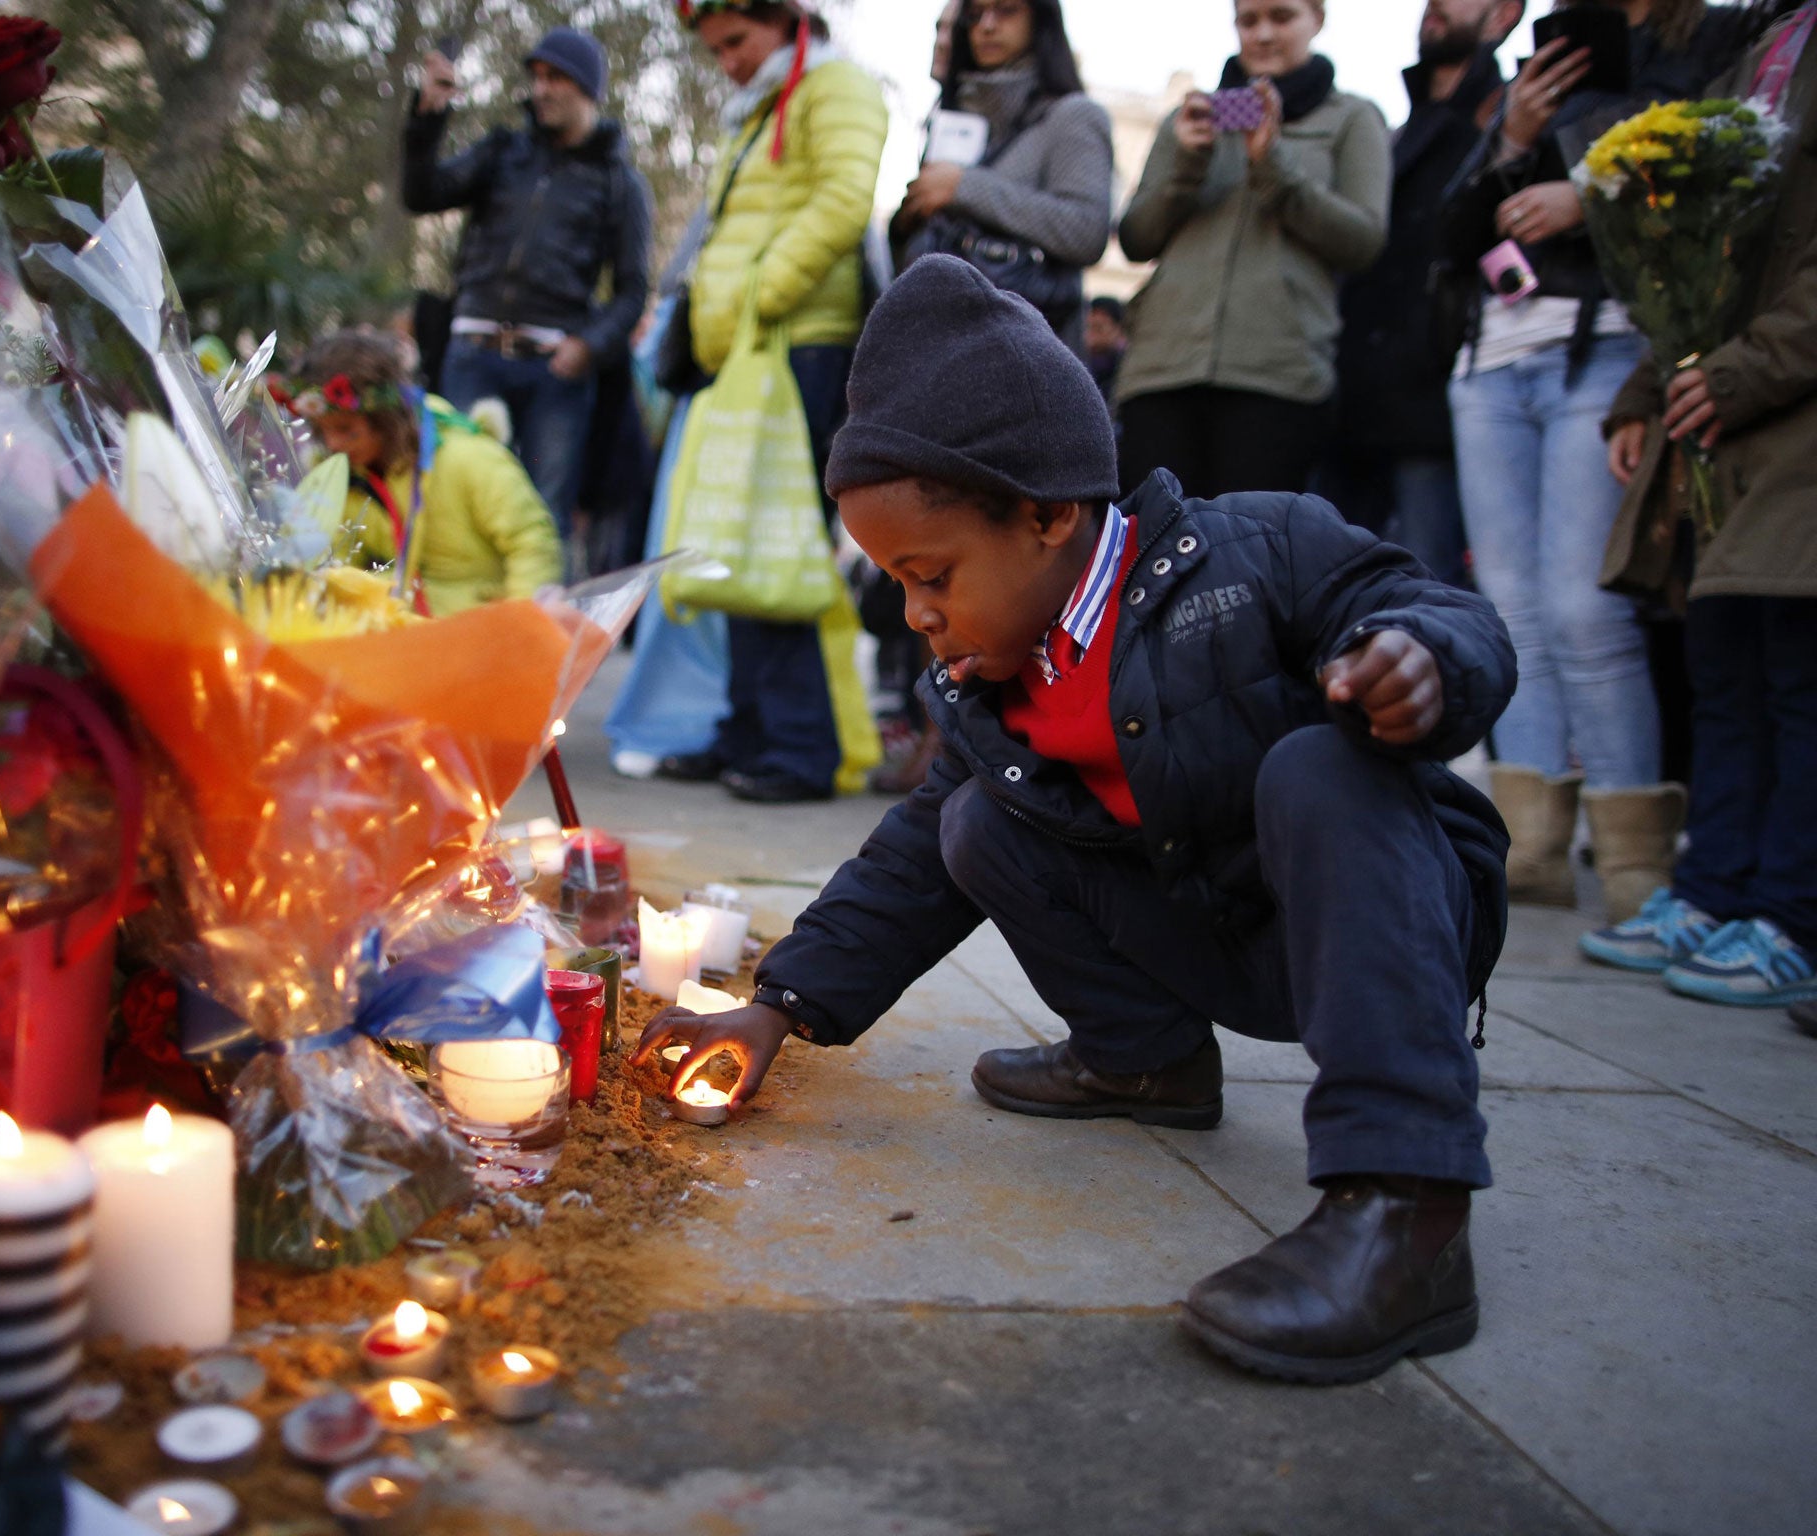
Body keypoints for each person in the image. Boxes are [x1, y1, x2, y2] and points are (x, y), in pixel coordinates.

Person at [639, 255, 1517, 1385]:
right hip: (1214, 934)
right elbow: (905, 865)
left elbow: (1432, 604)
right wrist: (776, 1009)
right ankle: (1142, 1061)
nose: (917, 615)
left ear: (1046, 515)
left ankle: (1408, 1212)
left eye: (931, 574)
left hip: (1386, 922)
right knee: (968, 825)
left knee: (1315, 767)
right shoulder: (983, 689)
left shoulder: (1254, 553)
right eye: (897, 586)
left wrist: (1420, 660)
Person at [1437, 0, 1748, 919]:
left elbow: (1724, 194)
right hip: (1489, 360)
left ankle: (1631, 867)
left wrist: (1594, 191)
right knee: (1514, 614)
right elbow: (1451, 236)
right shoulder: (1529, 67)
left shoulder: (1710, 44)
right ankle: (1530, 845)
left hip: (1608, 355)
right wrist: (1513, 137)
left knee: (1586, 609)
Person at [1584, 0, 1817, 1009]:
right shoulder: (1750, 47)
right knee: (1721, 659)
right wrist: (1647, 390)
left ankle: (1789, 915)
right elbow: (1684, 242)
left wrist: (1738, 371)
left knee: (1795, 673)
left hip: (1782, 399)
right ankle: (1712, 890)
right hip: (1717, 405)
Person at [657, 0, 888, 804]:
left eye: (737, 41)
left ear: (787, 22)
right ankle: (750, 732)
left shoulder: (839, 88)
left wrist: (761, 294)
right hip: (753, 347)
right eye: (715, 48)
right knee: (736, 542)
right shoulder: (760, 107)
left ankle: (800, 749)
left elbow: (842, 199)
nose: (725, 59)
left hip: (800, 341)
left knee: (777, 544)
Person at [1112, 0, 1391, 499]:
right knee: (1154, 549)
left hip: (1277, 376)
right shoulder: (1189, 119)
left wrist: (1273, 165)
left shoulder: (1352, 118)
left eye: (1281, 17)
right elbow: (1137, 238)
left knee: (1251, 553)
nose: (1263, 34)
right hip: (1162, 369)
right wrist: (1186, 167)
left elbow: (1363, 242)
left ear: (1317, 20)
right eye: (1248, 20)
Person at [402, 28, 652, 540]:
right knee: (455, 509)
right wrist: (428, 116)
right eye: (536, 77)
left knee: (541, 520)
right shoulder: (501, 153)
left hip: (554, 376)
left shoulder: (619, 183)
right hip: (471, 357)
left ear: (587, 88)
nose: (540, 89)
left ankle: (537, 622)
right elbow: (422, 194)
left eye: (555, 77)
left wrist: (588, 346)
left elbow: (631, 291)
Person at [1319, 0, 1525, 587]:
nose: (1435, 6)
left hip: (1436, 403)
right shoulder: (1395, 132)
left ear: (1503, 13)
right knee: (1326, 593)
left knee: (1427, 600)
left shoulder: (1509, 119)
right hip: (1353, 401)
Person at [893, 0, 1115, 351]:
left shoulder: (1074, 116)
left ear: (1041, 19)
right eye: (976, 14)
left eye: (1006, 9)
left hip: (1027, 356)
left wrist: (964, 188)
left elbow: (1086, 229)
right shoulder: (955, 117)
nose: (987, 26)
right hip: (937, 344)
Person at [289, 331, 562, 616]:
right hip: (400, 640)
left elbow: (531, 543)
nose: (333, 444)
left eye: (346, 429)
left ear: (385, 417)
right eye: (322, 430)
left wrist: (521, 623)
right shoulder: (340, 480)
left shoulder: (468, 457)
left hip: (484, 631)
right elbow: (334, 571)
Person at [1083, 294, 1128, 399]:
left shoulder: (1126, 365)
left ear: (1118, 329)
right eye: (1088, 327)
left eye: (1098, 328)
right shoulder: (1081, 361)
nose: (1091, 335)